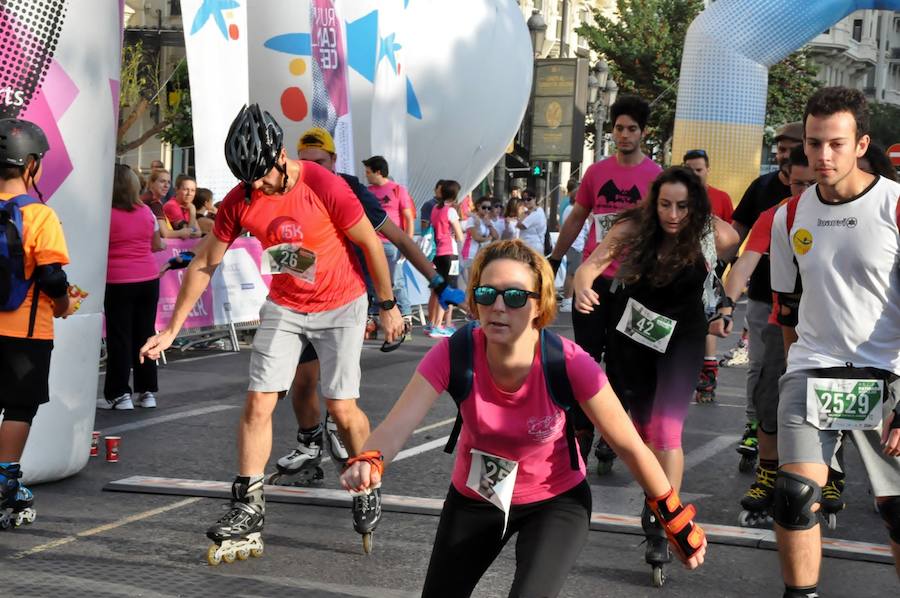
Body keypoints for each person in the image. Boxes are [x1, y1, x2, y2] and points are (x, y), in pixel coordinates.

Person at [341, 240, 706, 596]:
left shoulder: (569, 362)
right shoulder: (455, 353)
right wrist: (370, 460)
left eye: (515, 296)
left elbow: (629, 446)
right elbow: (395, 426)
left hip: (555, 501)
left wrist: (673, 516)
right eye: (487, 294)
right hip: (477, 496)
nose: (498, 306)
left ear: (538, 305)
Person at [138, 104, 404, 564]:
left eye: (264, 177)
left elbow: (368, 243)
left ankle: (366, 477)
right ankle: (247, 505)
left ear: (281, 155)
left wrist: (388, 305)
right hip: (285, 305)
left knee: (341, 409)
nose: (258, 187)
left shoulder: (324, 184)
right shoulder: (241, 200)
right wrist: (171, 328)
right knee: (259, 401)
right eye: (250, 181)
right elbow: (204, 263)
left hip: (342, 303)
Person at [272, 128, 464, 487]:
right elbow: (275, 251)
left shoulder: (350, 191)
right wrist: (305, 265)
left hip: (345, 299)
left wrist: (435, 280)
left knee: (336, 396)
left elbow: (398, 238)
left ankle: (361, 469)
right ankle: (310, 444)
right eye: (307, 161)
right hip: (301, 298)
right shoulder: (288, 189)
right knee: (300, 384)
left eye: (321, 161)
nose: (315, 168)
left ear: (334, 161)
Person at [769, 87, 900, 596]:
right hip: (814, 368)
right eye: (814, 143)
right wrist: (791, 378)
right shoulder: (789, 216)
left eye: (837, 144)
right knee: (795, 496)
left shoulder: (894, 205)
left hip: (888, 374)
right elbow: (788, 308)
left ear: (862, 144)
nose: (822, 156)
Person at [574, 168, 738, 559]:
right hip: (635, 334)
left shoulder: (715, 234)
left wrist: (725, 303)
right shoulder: (633, 226)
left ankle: (668, 521)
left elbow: (733, 265)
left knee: (667, 431)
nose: (674, 214)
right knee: (644, 431)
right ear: (653, 202)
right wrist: (582, 286)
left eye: (683, 205)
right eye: (665, 204)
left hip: (684, 338)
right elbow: (589, 268)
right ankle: (657, 502)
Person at [549, 94, 662, 472]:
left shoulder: (656, 177)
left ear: (643, 133)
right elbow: (578, 217)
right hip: (594, 282)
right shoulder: (597, 173)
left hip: (636, 285)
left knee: (622, 365)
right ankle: (581, 431)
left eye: (632, 128)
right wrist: (556, 256)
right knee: (585, 359)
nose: (624, 134)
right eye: (619, 128)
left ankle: (612, 436)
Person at [709, 146, 816, 520]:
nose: (803, 193)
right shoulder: (775, 216)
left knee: (832, 408)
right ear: (786, 179)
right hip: (779, 323)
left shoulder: (843, 213)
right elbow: (743, 265)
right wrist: (725, 302)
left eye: (812, 184)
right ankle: (768, 472)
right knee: (769, 392)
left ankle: (832, 473)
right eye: (797, 184)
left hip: (832, 333)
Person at [0, 118, 78, 529]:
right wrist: (64, 304)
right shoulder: (39, 215)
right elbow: (51, 277)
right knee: (18, 405)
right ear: (30, 164)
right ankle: (5, 478)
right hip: (25, 331)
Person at [729, 122, 804, 455]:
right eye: (780, 149)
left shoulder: (837, 203)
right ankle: (756, 430)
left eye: (791, 148)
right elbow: (740, 245)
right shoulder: (768, 200)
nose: (783, 155)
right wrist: (725, 297)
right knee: (763, 370)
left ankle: (832, 468)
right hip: (767, 300)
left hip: (823, 314)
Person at [100, 165, 167, 410]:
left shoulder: (105, 214)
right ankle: (147, 392)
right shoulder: (148, 212)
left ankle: (120, 394)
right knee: (146, 333)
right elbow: (158, 245)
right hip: (148, 279)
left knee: (120, 337)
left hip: (117, 281)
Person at [682, 148, 735, 403]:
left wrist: (722, 265)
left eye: (698, 170)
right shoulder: (675, 196)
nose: (693, 174)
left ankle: (707, 376)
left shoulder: (721, 198)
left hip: (709, 274)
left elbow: (733, 237)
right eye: (688, 169)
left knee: (710, 324)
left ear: (707, 171)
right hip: (678, 274)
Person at [363, 155, 415, 329]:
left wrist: (406, 245)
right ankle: (373, 319)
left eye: (369, 172)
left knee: (396, 282)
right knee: (372, 281)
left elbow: (408, 218)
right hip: (371, 243)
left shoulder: (398, 190)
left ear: (378, 172)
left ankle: (405, 317)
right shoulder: (366, 191)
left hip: (393, 244)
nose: (366, 176)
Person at [428, 180, 464, 338]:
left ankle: (434, 324)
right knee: (447, 290)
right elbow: (460, 235)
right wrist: (455, 235)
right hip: (450, 253)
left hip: (437, 253)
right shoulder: (451, 212)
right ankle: (438, 326)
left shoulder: (435, 209)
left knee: (437, 290)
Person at [559, 179, 590, 313]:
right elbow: (584, 228)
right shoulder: (573, 210)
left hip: (574, 244)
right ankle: (567, 300)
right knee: (572, 274)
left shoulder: (568, 209)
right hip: (575, 245)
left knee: (571, 273)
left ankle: (568, 299)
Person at [459, 195, 499, 291]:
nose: (486, 210)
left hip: (482, 254)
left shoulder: (486, 220)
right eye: (484, 207)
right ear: (478, 206)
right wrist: (489, 238)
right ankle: (470, 304)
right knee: (472, 282)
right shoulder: (472, 219)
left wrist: (489, 225)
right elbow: (476, 237)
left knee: (481, 281)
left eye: (489, 208)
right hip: (470, 254)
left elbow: (496, 236)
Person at [142, 169, 193, 240]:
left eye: (169, 182)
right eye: (162, 181)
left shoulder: (149, 197)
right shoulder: (153, 201)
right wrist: (182, 232)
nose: (166, 186)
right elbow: (165, 233)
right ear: (151, 183)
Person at [515, 190, 547, 255]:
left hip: (533, 247)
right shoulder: (531, 212)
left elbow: (520, 226)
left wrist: (521, 215)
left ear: (535, 199)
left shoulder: (537, 213)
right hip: (527, 246)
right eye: (523, 199)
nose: (526, 202)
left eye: (529, 199)